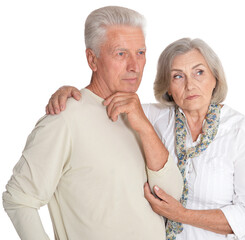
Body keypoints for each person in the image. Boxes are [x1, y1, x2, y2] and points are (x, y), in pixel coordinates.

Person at [46, 38, 245, 240]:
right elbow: (104, 105)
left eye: (199, 72)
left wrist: (182, 215)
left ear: (215, 78)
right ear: (169, 88)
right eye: (178, 76)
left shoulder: (242, 133)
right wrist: (72, 95)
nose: (190, 85)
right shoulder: (155, 118)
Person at [2, 6, 183, 240]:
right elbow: (18, 199)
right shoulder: (65, 119)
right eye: (121, 53)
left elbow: (171, 195)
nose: (134, 66)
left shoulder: (140, 115)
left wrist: (145, 127)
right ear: (92, 59)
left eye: (140, 52)